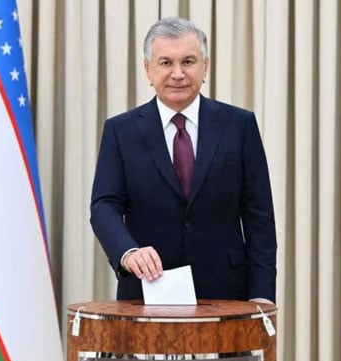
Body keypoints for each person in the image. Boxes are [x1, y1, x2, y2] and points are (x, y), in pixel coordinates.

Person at [90, 17, 277, 304]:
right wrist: (128, 253)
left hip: (227, 296)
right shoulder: (121, 131)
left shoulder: (239, 126)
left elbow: (259, 217)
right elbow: (104, 206)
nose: (178, 73)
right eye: (166, 63)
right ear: (148, 70)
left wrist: (262, 297)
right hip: (147, 291)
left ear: (205, 67)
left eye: (188, 61)